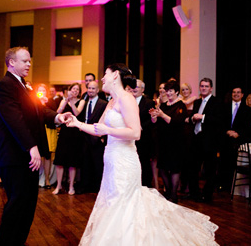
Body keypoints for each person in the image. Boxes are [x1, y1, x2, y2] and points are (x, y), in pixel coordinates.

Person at [66, 63, 218, 245]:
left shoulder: (126, 99)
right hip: (111, 161)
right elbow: (99, 129)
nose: (103, 78)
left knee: (125, 207)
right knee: (111, 204)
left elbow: (135, 132)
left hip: (125, 162)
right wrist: (78, 124)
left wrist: (108, 129)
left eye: (105, 74)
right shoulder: (112, 102)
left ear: (115, 75)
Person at [0, 47, 69, 246]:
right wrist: (31, 146)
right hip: (15, 156)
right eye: (25, 61)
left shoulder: (24, 85)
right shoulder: (5, 86)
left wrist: (58, 117)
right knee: (17, 205)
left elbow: (39, 110)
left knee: (27, 206)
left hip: (27, 157)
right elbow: (13, 120)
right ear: (11, 63)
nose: (29, 64)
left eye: (29, 61)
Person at [148, 79, 189, 203]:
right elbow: (156, 123)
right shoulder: (164, 106)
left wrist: (162, 115)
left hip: (176, 142)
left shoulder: (181, 105)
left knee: (174, 169)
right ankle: (168, 191)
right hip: (163, 141)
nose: (168, 93)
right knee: (163, 168)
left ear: (176, 91)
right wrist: (154, 116)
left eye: (171, 91)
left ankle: (173, 194)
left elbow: (177, 122)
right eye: (167, 91)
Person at [186, 78, 222, 202]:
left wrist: (203, 117)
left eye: (206, 86)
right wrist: (192, 118)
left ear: (211, 88)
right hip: (196, 138)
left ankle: (207, 195)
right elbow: (192, 117)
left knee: (210, 170)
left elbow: (219, 120)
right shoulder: (197, 102)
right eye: (202, 86)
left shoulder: (216, 102)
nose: (204, 88)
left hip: (209, 140)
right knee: (193, 168)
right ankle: (194, 193)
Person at [218, 87, 251, 191]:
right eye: (234, 92)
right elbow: (220, 122)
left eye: (238, 92)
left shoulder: (247, 109)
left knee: (233, 163)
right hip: (225, 139)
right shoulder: (225, 107)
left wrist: (238, 133)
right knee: (223, 163)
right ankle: (222, 185)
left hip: (238, 141)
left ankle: (232, 187)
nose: (236, 94)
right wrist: (227, 131)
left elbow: (247, 126)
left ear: (242, 95)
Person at [53, 83, 85, 195]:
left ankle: (71, 186)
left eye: (77, 89)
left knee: (73, 161)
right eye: (73, 89)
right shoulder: (64, 100)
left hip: (75, 133)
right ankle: (58, 186)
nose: (75, 91)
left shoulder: (81, 101)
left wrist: (71, 102)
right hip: (64, 132)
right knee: (60, 160)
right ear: (69, 90)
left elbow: (76, 113)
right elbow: (57, 113)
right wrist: (66, 101)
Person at [80, 81, 108, 193]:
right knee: (85, 163)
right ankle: (85, 186)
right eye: (89, 88)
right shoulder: (84, 102)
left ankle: (98, 188)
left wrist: (102, 138)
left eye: (93, 88)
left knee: (97, 164)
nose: (90, 90)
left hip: (97, 137)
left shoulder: (103, 103)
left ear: (97, 90)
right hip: (84, 137)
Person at [129, 79, 157, 188]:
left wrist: (141, 126)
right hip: (129, 137)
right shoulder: (128, 100)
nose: (135, 89)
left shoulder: (149, 102)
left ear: (143, 89)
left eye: (137, 87)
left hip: (143, 138)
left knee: (143, 162)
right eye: (133, 86)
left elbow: (152, 119)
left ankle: (145, 184)